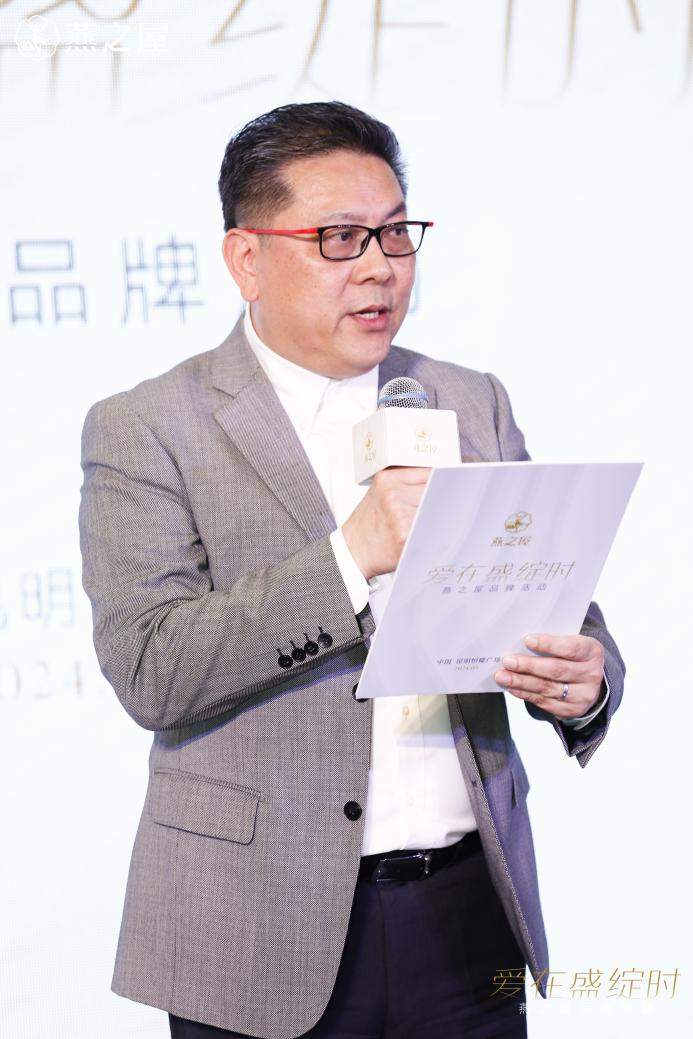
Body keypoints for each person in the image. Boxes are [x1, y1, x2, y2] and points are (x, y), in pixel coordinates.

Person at [79, 102, 624, 1039]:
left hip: (466, 912)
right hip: (255, 924)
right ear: (246, 259)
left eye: (395, 233)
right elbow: (152, 667)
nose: (379, 266)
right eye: (339, 238)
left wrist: (586, 682)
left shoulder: (468, 398)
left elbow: (561, 601)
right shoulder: (149, 425)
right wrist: (351, 554)